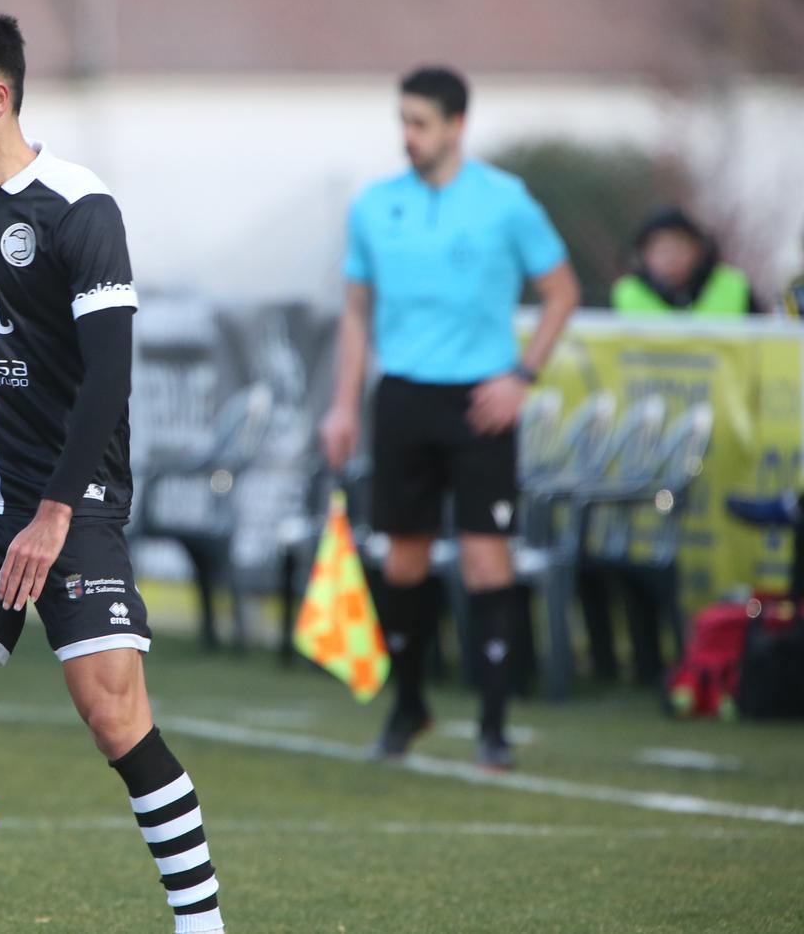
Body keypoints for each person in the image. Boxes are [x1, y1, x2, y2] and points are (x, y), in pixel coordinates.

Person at [0, 13, 224, 934]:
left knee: (113, 715)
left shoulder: (79, 209)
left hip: (74, 499)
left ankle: (201, 925)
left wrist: (55, 512)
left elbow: (112, 374)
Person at [319, 67, 581, 771]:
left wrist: (522, 376)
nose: (408, 136)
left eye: (421, 123)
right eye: (402, 121)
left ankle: (494, 728)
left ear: (456, 125)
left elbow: (562, 291)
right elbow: (356, 311)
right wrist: (344, 405)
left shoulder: (505, 201)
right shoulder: (375, 206)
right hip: (402, 397)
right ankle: (409, 706)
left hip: (481, 402)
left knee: (485, 556)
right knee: (401, 561)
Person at [610, 206, 759, 316]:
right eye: (662, 250)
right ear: (645, 255)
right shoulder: (624, 294)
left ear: (698, 250)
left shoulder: (734, 287)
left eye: (679, 247)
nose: (670, 258)